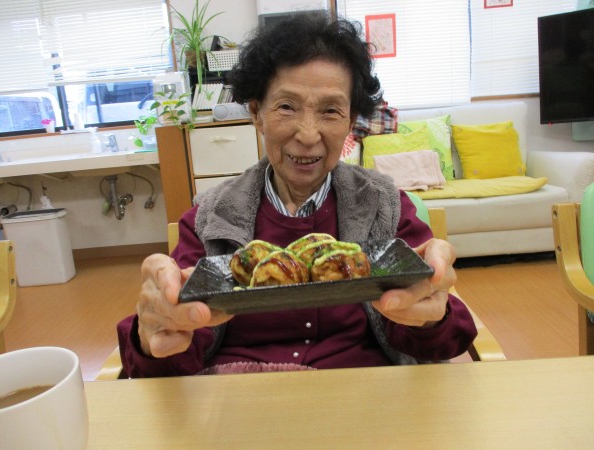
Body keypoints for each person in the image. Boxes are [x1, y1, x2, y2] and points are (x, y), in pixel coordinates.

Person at [117, 13, 477, 377]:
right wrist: (154, 334)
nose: (307, 135)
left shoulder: (385, 207)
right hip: (239, 397)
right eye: (287, 107)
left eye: (330, 111)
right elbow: (173, 354)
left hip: (361, 393)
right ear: (257, 113)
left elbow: (442, 341)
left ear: (351, 121)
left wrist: (432, 316)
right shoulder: (210, 219)